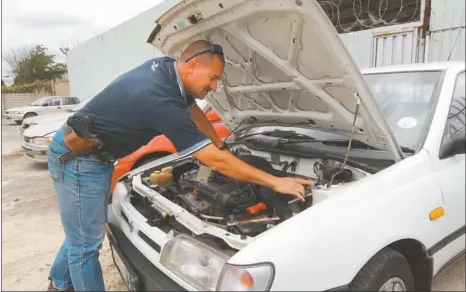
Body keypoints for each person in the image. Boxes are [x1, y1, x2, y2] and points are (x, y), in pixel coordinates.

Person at [46, 40, 312, 291]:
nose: (215, 87)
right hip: (79, 161)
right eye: (213, 78)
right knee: (86, 246)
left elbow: (194, 112)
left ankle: (59, 279)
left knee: (81, 230)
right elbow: (211, 160)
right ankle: (64, 283)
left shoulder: (167, 70)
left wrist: (220, 144)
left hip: (95, 155)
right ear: (193, 66)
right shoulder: (157, 97)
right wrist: (276, 181)